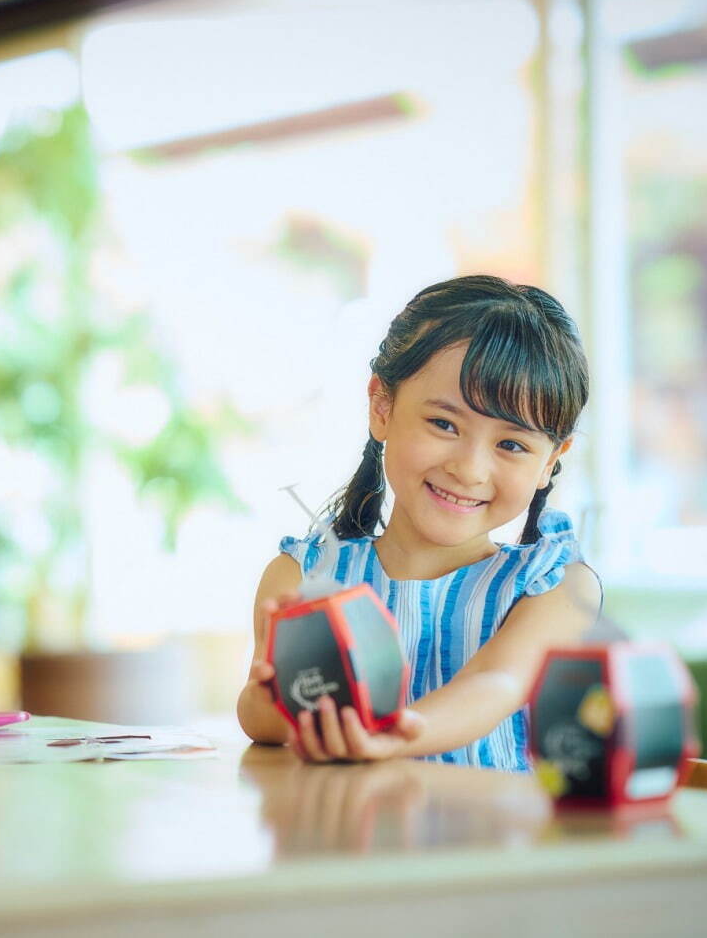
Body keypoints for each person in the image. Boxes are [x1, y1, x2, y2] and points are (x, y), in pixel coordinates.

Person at [236, 274, 601, 767]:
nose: (469, 469)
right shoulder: (304, 576)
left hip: (493, 841)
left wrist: (395, 735)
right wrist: (277, 697)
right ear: (382, 406)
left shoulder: (557, 587)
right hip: (349, 839)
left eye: (511, 445)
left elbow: (499, 683)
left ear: (552, 460)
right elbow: (261, 721)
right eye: (444, 424)